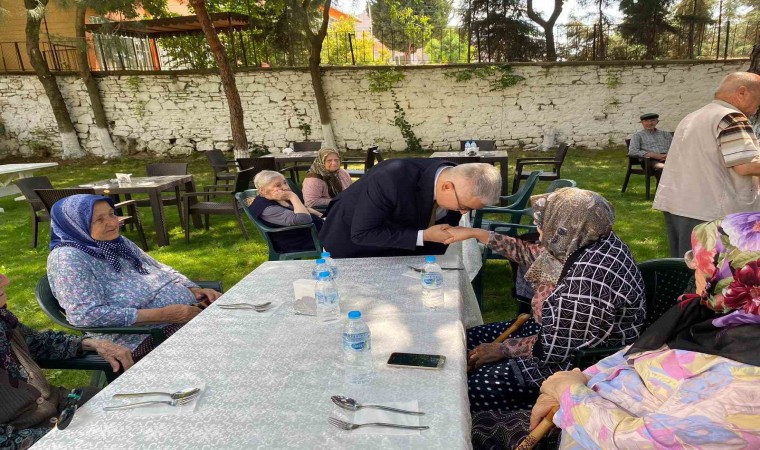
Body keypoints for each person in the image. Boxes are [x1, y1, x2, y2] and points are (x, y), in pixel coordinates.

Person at [472, 212, 760, 450]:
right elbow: (632, 356)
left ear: (737, 279)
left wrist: (566, 390)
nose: (693, 266)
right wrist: (572, 383)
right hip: (579, 398)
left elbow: (634, 441)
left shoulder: (746, 389)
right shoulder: (718, 315)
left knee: (471, 405)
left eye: (703, 260)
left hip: (584, 422)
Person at [444, 188, 646, 413]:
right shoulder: (588, 240)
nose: (538, 226)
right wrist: (475, 233)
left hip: (580, 362)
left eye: (544, 220)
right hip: (554, 333)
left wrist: (502, 349)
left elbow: (553, 349)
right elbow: (531, 254)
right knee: (465, 339)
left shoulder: (586, 280)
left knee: (472, 387)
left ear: (565, 224)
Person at [46, 194, 222, 361]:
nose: (112, 223)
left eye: (112, 214)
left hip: (186, 313)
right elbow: (86, 315)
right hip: (143, 337)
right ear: (75, 225)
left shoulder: (116, 242)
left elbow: (159, 268)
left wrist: (193, 289)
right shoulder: (68, 259)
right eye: (99, 219)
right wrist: (164, 315)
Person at [0, 271, 133, 449]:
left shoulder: (3, 319)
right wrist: (70, 436)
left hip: (63, 407)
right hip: (31, 435)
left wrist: (91, 343)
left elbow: (37, 342)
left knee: (134, 411)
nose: (5, 280)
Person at [653, 72, 760, 258]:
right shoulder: (731, 117)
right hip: (712, 214)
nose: (758, 106)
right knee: (717, 271)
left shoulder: (693, 116)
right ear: (742, 92)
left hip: (679, 205)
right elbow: (745, 165)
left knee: (687, 267)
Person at [319, 159, 501, 258]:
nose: (463, 213)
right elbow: (362, 234)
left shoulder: (456, 177)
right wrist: (424, 236)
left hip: (397, 242)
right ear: (446, 187)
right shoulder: (390, 179)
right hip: (351, 244)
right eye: (463, 207)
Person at [245, 170, 324, 254]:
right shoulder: (268, 209)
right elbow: (303, 219)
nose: (285, 187)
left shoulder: (278, 198)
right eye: (278, 185)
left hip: (313, 232)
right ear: (263, 191)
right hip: (300, 241)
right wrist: (292, 196)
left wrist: (322, 216)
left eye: (285, 183)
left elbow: (304, 210)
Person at [627, 112, 673, 182]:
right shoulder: (638, 136)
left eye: (653, 120)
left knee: (686, 166)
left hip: (668, 158)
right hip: (649, 160)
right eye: (646, 121)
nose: (649, 123)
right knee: (662, 168)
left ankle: (680, 188)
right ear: (642, 123)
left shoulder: (666, 134)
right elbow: (633, 151)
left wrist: (668, 155)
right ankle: (664, 189)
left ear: (657, 122)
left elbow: (674, 148)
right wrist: (654, 155)